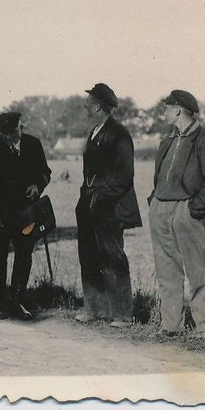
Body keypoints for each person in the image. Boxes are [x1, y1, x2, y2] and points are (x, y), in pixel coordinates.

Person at [148, 89, 205, 337]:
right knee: (166, 270)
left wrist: (192, 210)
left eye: (167, 107)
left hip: (188, 212)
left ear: (178, 109)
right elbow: (159, 176)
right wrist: (155, 201)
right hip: (161, 209)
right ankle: (171, 325)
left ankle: (202, 330)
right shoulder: (167, 140)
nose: (164, 111)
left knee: (197, 271)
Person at [75, 83, 142, 327]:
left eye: (89, 102)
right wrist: (86, 198)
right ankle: (95, 309)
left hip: (108, 208)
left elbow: (124, 176)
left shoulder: (119, 133)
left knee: (112, 257)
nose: (85, 106)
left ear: (99, 107)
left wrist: (101, 199)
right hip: (89, 204)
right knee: (89, 255)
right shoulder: (94, 131)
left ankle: (122, 314)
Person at [0, 111, 51, 320]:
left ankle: (18, 298)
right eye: (5, 135)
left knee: (24, 253)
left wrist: (38, 185)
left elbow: (45, 172)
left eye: (13, 133)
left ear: (22, 126)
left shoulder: (33, 144)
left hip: (26, 213)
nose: (10, 139)